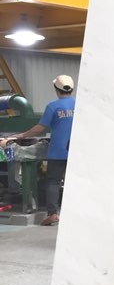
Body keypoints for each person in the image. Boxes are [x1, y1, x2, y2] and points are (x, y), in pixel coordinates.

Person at [2, 75, 75, 226]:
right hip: (76, 151)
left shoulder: (53, 106)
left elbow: (39, 128)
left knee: (53, 182)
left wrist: (20, 135)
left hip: (58, 151)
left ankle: (52, 214)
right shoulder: (79, 106)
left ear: (56, 89)